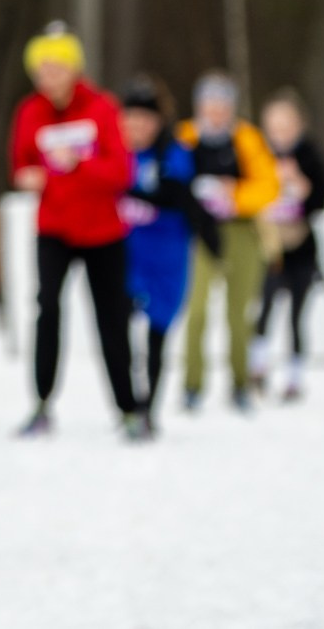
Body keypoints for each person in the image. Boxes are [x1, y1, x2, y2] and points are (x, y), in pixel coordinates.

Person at [7, 24, 141, 439]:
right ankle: (42, 404)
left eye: (56, 67)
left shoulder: (101, 107)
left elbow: (122, 171)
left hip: (103, 231)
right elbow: (20, 166)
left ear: (73, 68)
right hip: (55, 228)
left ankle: (129, 409)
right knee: (47, 309)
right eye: (41, 69)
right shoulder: (30, 111)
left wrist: (78, 165)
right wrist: (28, 178)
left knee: (111, 317)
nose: (48, 76)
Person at [177, 72, 279, 413]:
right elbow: (173, 180)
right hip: (198, 232)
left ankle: (240, 383)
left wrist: (233, 194)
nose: (217, 112)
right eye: (210, 104)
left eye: (223, 105)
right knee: (196, 311)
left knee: (239, 313)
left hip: (240, 230)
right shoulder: (185, 138)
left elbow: (268, 185)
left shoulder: (246, 138)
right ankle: (192, 384)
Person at [117, 79, 205, 435]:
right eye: (131, 119)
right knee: (119, 329)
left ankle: (149, 408)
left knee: (157, 333)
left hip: (167, 258)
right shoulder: (115, 152)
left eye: (145, 120)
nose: (137, 128)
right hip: (126, 256)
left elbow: (177, 195)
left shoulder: (175, 152)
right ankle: (127, 403)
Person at [250, 90, 324, 403]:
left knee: (298, 314)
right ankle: (257, 368)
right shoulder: (258, 155)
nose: (280, 134)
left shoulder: (310, 155)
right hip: (270, 246)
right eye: (274, 127)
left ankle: (295, 377)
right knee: (265, 307)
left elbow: (321, 200)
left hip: (301, 246)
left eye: (286, 126)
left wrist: (300, 184)